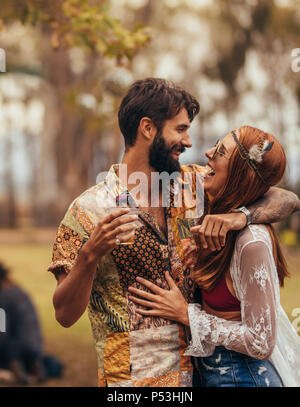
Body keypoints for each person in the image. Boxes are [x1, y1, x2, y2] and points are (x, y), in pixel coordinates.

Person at [48, 78, 300, 387]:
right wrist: (89, 256)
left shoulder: (193, 186)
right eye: (180, 129)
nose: (190, 141)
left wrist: (241, 217)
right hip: (132, 384)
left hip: (201, 378)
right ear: (148, 128)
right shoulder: (86, 211)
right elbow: (63, 314)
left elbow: (286, 199)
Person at [128, 125, 300, 387]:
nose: (207, 152)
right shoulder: (200, 193)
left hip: (243, 376)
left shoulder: (251, 241)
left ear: (239, 174)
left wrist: (187, 314)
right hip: (213, 373)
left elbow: (261, 342)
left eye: (220, 151)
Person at [0, 262, 46, 385]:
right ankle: (34, 367)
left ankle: (15, 368)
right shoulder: (20, 291)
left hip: (16, 349)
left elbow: (2, 332)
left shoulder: (3, 297)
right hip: (37, 347)